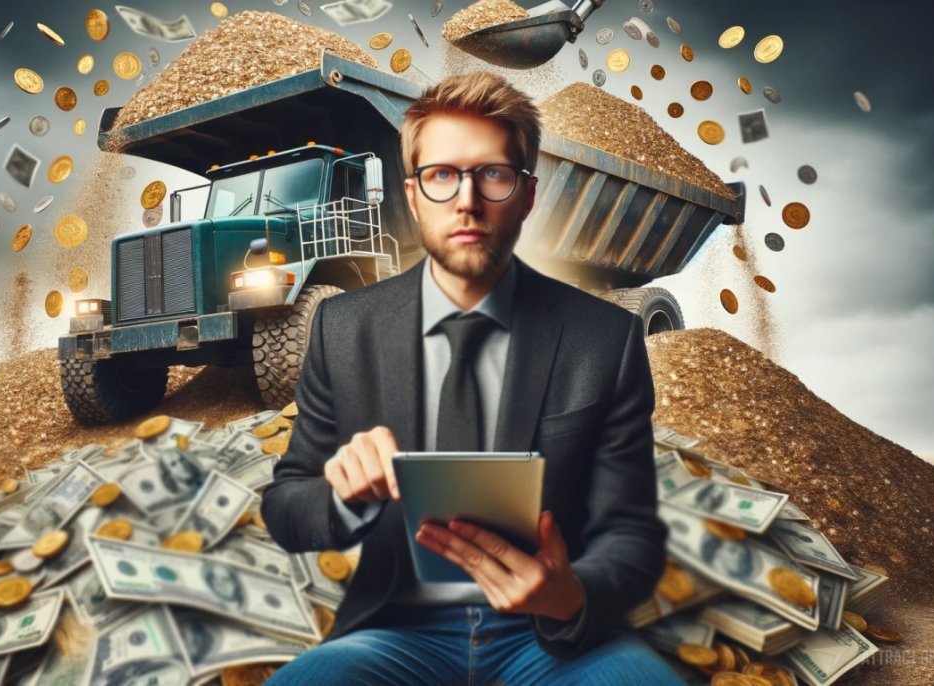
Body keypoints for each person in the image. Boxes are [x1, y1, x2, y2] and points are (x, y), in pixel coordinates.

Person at [260, 71, 678, 684]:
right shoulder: (342, 328)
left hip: (555, 635)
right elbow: (285, 504)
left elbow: (631, 532)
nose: (467, 201)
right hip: (393, 630)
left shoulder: (605, 340)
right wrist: (341, 495)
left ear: (527, 196)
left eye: (493, 174)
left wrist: (572, 593)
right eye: (441, 176)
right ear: (412, 196)